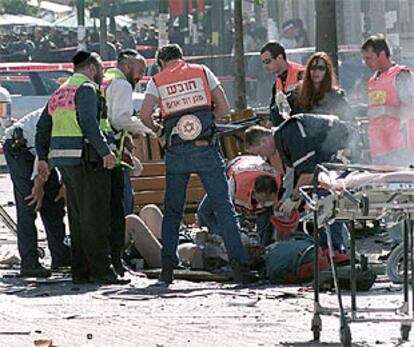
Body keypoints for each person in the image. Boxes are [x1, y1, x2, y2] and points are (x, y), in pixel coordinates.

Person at [139, 43, 255, 285]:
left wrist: (160, 132)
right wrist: (206, 122)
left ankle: (167, 269)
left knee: (173, 211)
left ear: (161, 62)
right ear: (182, 57)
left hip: (176, 151)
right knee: (224, 208)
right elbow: (223, 108)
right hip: (205, 148)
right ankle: (240, 267)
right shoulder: (202, 71)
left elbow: (144, 115)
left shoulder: (157, 80)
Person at [35, 51, 129, 285]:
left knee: (77, 218)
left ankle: (81, 270)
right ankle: (101, 271)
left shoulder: (61, 90)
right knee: (96, 217)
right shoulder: (86, 88)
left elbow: (42, 126)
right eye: (100, 68)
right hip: (87, 158)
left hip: (65, 161)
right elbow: (88, 122)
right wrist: (105, 151)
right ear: (92, 68)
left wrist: (43, 157)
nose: (101, 74)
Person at [244, 114, 354, 252]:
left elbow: (307, 173)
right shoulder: (283, 139)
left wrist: (293, 199)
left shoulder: (290, 133)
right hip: (332, 155)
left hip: (343, 149)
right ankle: (333, 249)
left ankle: (336, 251)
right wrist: (289, 199)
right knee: (321, 199)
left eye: (260, 152)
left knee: (326, 199)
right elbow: (298, 175)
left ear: (263, 141)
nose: (263, 156)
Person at [2, 108, 70, 278]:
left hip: (41, 152)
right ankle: (29, 262)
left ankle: (60, 255)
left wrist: (65, 185)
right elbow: (43, 151)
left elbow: (68, 153)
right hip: (21, 147)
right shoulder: (58, 116)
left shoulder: (78, 118)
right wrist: (38, 186)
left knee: (54, 202)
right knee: (30, 203)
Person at [102, 48, 148, 274]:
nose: (140, 77)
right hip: (113, 157)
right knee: (120, 207)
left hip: (104, 152)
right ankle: (117, 259)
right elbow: (120, 119)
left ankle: (109, 256)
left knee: (105, 207)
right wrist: (147, 128)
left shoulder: (106, 79)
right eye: (140, 71)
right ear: (127, 66)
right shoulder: (121, 84)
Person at [198, 155, 281, 247]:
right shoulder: (235, 183)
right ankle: (219, 242)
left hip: (255, 167)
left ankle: (262, 248)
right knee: (204, 211)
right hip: (236, 168)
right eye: (261, 200)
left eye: (266, 201)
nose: (262, 203)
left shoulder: (278, 184)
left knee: (266, 222)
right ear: (253, 192)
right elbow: (224, 209)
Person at [361, 34, 414, 166]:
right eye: (364, 59)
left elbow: (410, 111)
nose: (366, 62)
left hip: (401, 148)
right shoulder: (373, 81)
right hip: (379, 150)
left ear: (382, 54)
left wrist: (383, 110)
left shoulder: (401, 75)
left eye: (369, 58)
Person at [289, 51, 352, 121]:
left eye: (321, 68)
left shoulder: (336, 96)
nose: (316, 71)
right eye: (312, 68)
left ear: (327, 71)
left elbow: (348, 122)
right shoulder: (297, 94)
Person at [260, 41, 305, 126]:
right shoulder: (277, 84)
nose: (265, 66)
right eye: (263, 62)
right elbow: (272, 115)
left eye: (267, 61)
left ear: (280, 58)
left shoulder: (301, 74)